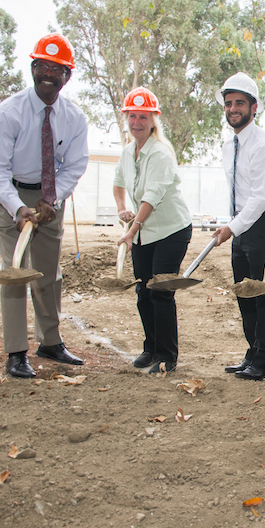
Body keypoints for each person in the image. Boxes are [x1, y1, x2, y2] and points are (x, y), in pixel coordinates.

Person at [0, 33, 89, 379]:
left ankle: (50, 341)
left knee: (49, 272)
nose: (48, 74)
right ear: (32, 69)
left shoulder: (74, 119)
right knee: (15, 271)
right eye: (42, 66)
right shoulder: (9, 112)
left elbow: (75, 164)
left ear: (67, 77)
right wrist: (17, 208)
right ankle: (16, 352)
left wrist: (51, 198)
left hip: (48, 196)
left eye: (56, 69)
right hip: (8, 193)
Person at [213, 73, 265, 381]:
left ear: (254, 107)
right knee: (245, 293)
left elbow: (259, 198)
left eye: (239, 103)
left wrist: (232, 227)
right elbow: (240, 194)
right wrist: (233, 225)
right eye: (229, 103)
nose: (233, 109)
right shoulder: (229, 145)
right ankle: (253, 351)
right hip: (243, 224)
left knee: (263, 293)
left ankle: (264, 361)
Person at [112, 87, 192, 374]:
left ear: (153, 120)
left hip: (171, 231)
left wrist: (131, 231)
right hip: (144, 231)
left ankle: (167, 354)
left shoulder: (159, 154)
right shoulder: (127, 152)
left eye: (143, 117)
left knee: (160, 290)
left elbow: (151, 197)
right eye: (132, 116)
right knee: (143, 292)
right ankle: (150, 348)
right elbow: (118, 185)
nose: (136, 122)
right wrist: (123, 208)